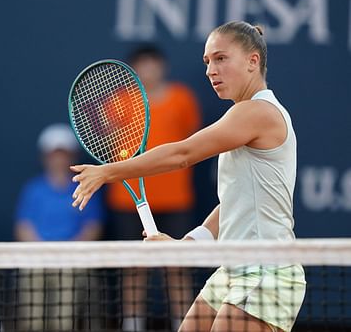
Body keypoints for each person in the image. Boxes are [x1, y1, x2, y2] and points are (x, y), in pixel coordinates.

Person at [70, 21, 306, 332]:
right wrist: (189, 243)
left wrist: (108, 172)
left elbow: (183, 155)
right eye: (207, 61)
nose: (211, 70)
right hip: (233, 269)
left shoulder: (257, 112)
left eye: (221, 58)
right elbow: (237, 201)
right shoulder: (243, 114)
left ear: (253, 61)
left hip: (267, 271)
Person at [106, 45, 201, 331]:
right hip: (128, 200)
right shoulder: (121, 102)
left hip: (175, 199)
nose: (148, 70)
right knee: (133, 268)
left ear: (162, 67)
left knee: (177, 267)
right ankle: (132, 325)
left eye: (153, 63)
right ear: (134, 69)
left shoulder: (182, 99)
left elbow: (190, 144)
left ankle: (182, 325)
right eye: (142, 64)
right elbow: (113, 147)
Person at [14, 123, 105, 331]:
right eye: (54, 154)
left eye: (63, 154)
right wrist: (43, 251)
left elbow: (93, 227)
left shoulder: (86, 188)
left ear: (71, 156)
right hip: (38, 259)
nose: (58, 159)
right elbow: (23, 227)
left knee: (63, 320)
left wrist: (68, 252)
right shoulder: (33, 190)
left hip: (71, 261)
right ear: (45, 157)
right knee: (33, 318)